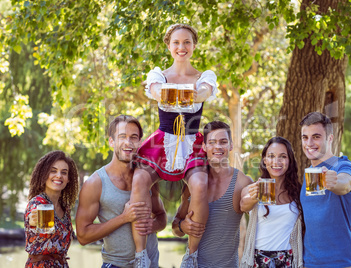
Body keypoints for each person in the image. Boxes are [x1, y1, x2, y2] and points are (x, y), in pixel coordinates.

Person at [130, 24, 217, 267]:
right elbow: (157, 91)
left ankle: (191, 255)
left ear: (194, 46)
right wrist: (177, 93)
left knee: (200, 183)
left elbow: (202, 94)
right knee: (139, 180)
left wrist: (179, 94)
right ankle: (140, 255)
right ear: (168, 46)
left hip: (191, 139)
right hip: (162, 139)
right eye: (176, 43)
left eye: (187, 42)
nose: (182, 47)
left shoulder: (205, 76)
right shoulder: (157, 75)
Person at [76, 115, 167, 268]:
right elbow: (83, 236)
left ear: (140, 142)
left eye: (134, 137)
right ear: (111, 141)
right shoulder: (95, 183)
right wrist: (124, 218)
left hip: (151, 264)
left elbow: (161, 217)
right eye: (122, 137)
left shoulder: (147, 177)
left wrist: (152, 226)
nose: (128, 142)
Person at [172, 121, 253, 268]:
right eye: (212, 142)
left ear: (231, 145)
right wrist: (183, 226)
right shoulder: (194, 182)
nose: (218, 147)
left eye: (223, 142)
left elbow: (260, 222)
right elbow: (175, 228)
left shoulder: (243, 182)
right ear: (204, 146)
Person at [299, 112, 351, 267]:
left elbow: (345, 184)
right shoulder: (309, 176)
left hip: (341, 263)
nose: (309, 143)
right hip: (310, 263)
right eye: (305, 137)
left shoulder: (343, 166)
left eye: (316, 136)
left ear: (330, 138)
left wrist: (334, 182)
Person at [240, 137, 304, 268]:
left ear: (289, 161)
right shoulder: (253, 188)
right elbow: (243, 205)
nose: (276, 161)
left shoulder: (298, 192)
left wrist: (347, 227)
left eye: (283, 156)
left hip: (288, 260)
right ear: (265, 160)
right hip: (258, 260)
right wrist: (254, 196)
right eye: (271, 156)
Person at [25, 150, 79, 267]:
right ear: (44, 174)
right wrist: (32, 220)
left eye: (64, 172)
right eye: (53, 171)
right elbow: (32, 217)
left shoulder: (65, 207)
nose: (59, 175)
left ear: (68, 179)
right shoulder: (37, 203)